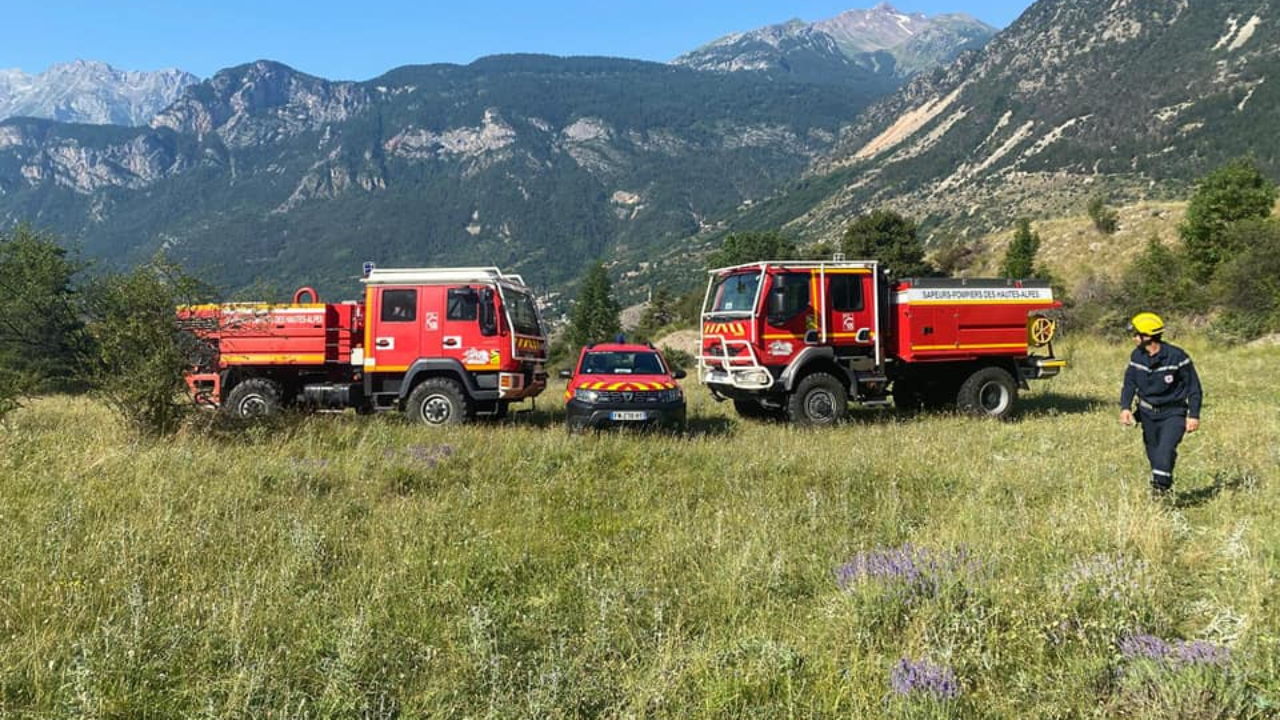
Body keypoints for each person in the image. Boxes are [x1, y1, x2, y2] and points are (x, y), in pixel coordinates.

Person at [1119, 312, 1202, 497]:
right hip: (1147, 414)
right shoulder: (1136, 356)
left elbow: (1194, 388)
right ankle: (1164, 487)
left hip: (1173, 414)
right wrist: (1125, 408)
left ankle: (1158, 494)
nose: (1133, 338)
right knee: (1155, 455)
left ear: (1147, 336)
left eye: (1136, 334)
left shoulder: (1178, 357)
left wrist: (1194, 415)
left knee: (1165, 450)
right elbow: (1129, 383)